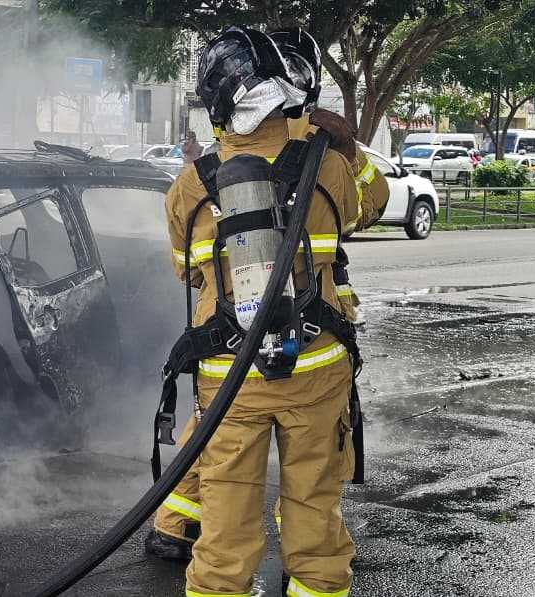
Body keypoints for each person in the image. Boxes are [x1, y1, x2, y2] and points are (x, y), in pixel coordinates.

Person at [158, 26, 359, 597]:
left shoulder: (189, 189)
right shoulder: (329, 169)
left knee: (224, 518)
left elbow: (186, 272)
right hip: (316, 370)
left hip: (229, 377)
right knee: (315, 506)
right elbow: (372, 203)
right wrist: (345, 142)